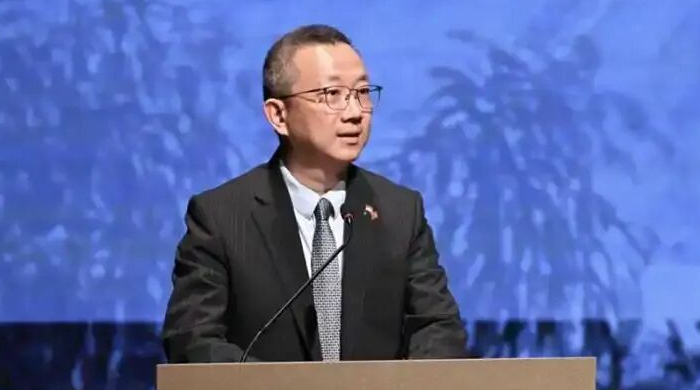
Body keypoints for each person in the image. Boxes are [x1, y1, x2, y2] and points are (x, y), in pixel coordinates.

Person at [162, 24, 469, 362]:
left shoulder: (400, 212)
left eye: (362, 92)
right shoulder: (221, 217)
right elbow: (193, 339)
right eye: (332, 94)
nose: (354, 113)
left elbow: (438, 327)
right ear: (279, 115)